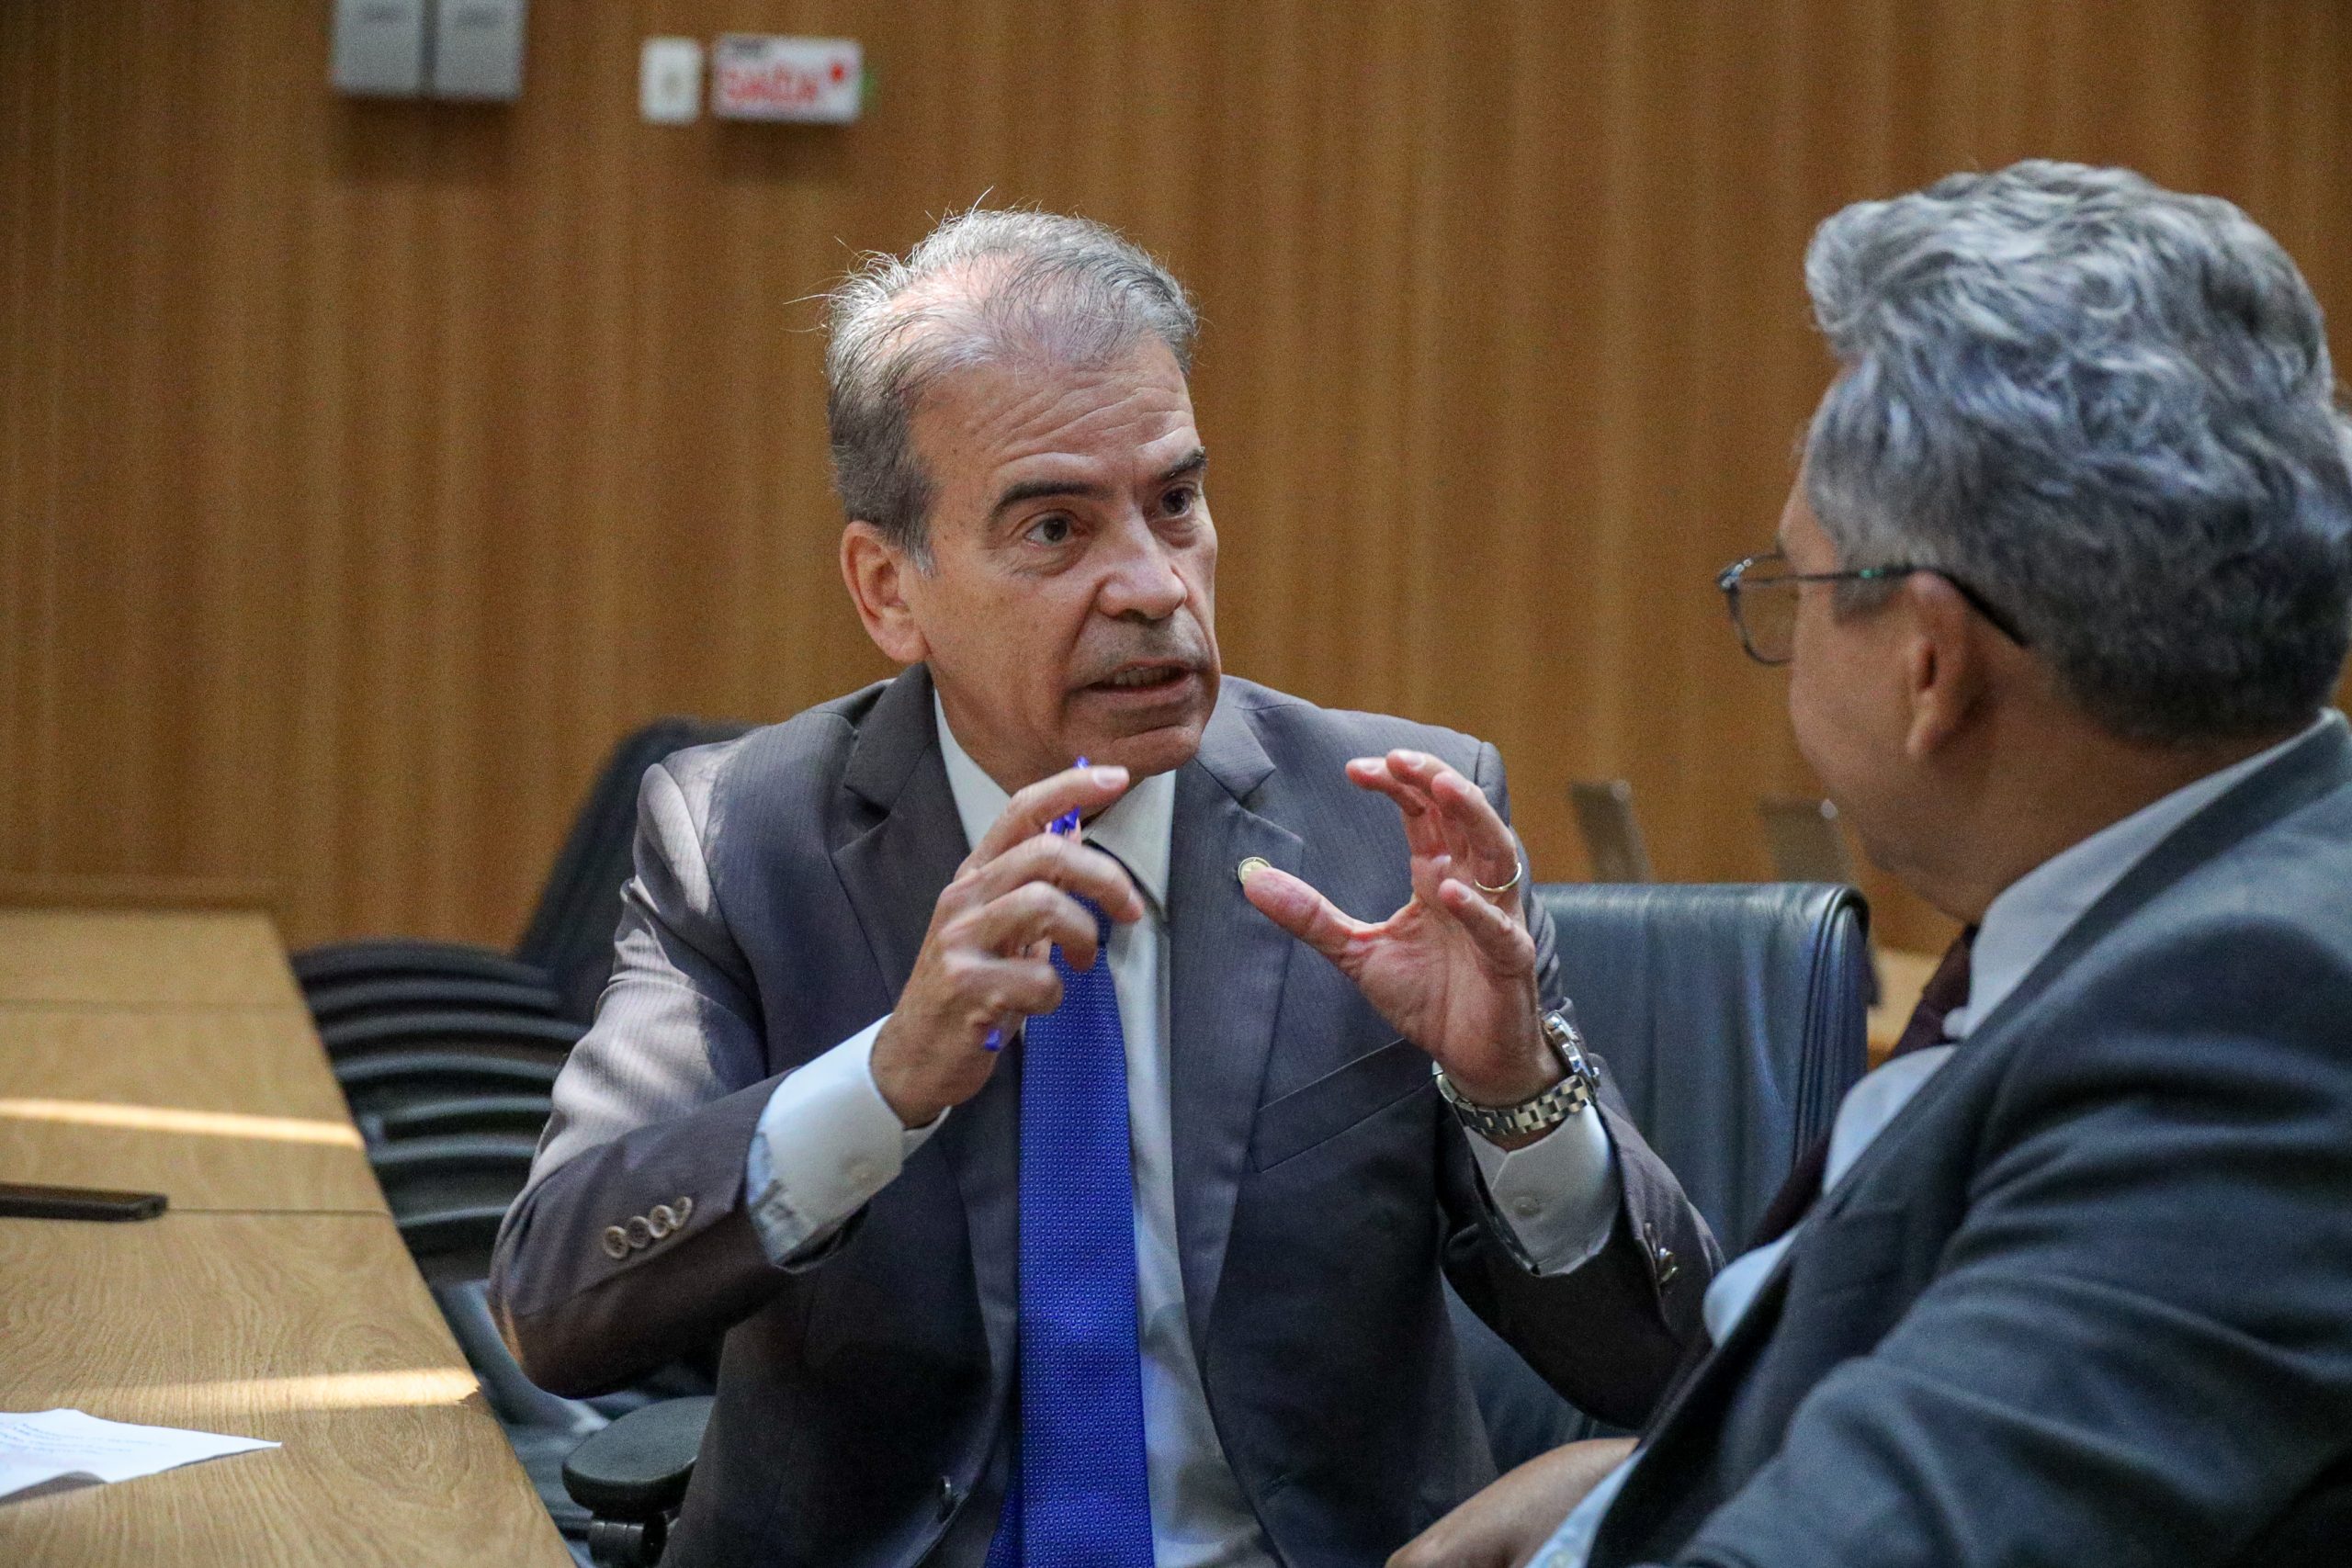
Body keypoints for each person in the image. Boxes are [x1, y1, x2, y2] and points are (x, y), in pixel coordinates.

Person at [490, 209, 1715, 1568]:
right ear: (890, 589)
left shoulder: (1389, 823)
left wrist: (1512, 1096)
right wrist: (886, 1082)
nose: (1151, 585)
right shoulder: (741, 838)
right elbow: (557, 1300)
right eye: (1057, 527)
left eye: (1175, 503)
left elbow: (1661, 1370)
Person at [1395, 160, 2352, 1568]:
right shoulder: (2199, 905)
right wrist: (1637, 1490)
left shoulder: (2252, 1031)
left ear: (1928, 664)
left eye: (1788, 584)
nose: (1776, 642)